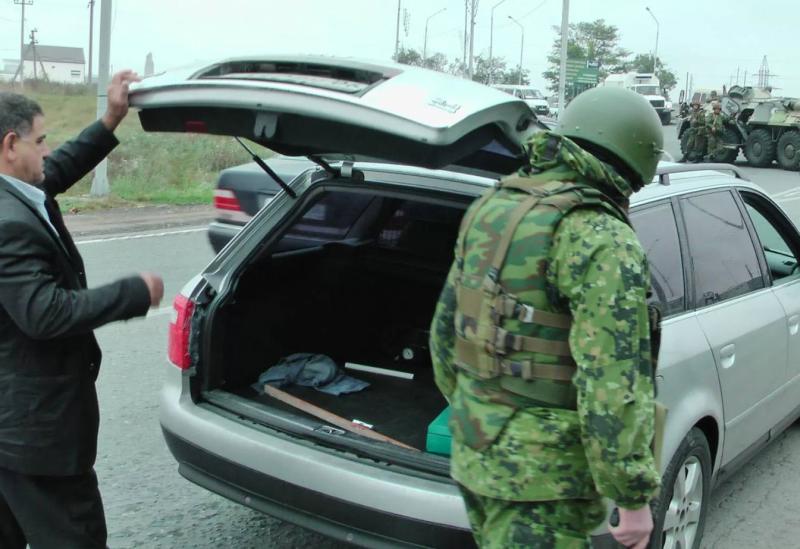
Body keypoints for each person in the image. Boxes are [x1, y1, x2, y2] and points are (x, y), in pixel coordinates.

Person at [429, 86, 662, 549]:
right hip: (544, 483)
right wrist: (632, 496)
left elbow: (446, 336)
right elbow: (612, 385)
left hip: (475, 451)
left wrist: (482, 410)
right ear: (638, 159)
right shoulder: (601, 236)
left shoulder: (494, 204)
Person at [0, 71, 164, 548]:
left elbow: (57, 170)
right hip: (34, 437)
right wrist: (133, 292)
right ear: (12, 145)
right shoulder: (8, 224)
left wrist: (111, 118)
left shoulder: (15, 194)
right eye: (41, 139)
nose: (48, 149)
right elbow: (43, 313)